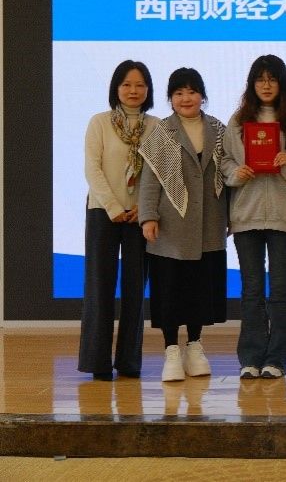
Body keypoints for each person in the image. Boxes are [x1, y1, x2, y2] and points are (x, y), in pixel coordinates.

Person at [223, 55, 286, 380]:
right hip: (246, 216)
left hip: (283, 217)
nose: (266, 85)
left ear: (282, 83)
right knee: (251, 291)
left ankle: (276, 358)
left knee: (279, 290)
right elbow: (224, 162)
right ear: (252, 84)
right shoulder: (237, 122)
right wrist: (236, 173)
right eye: (260, 79)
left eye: (272, 79)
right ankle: (250, 357)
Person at [138, 68, 229, 382]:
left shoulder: (219, 130)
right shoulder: (163, 131)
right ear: (170, 98)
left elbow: (228, 175)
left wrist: (232, 218)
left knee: (200, 289)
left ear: (202, 95)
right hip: (171, 226)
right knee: (170, 290)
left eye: (192, 92)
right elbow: (150, 180)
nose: (185, 98)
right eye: (178, 93)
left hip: (209, 225)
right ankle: (171, 351)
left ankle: (194, 345)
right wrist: (148, 216)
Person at [79, 60, 159, 381]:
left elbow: (159, 174)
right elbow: (92, 168)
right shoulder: (99, 122)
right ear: (116, 88)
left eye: (140, 85)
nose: (133, 91)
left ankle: (128, 361)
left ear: (148, 90)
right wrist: (113, 206)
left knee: (135, 289)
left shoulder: (157, 127)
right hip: (103, 212)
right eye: (126, 84)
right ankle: (97, 361)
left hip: (140, 217)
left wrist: (144, 207)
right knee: (100, 287)